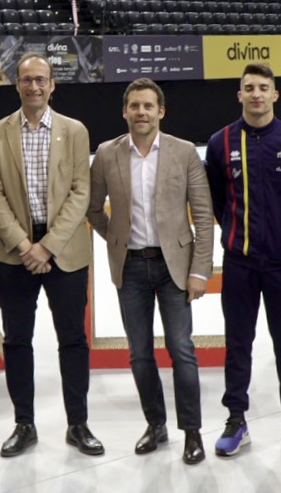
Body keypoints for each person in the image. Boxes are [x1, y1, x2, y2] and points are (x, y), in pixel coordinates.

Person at [87, 78, 215, 465]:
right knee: (140, 354)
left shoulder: (184, 152)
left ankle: (192, 431)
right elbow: (93, 209)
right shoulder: (107, 155)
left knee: (182, 350)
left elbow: (204, 216)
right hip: (132, 268)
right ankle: (155, 424)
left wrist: (200, 271)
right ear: (124, 111)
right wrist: (116, 240)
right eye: (134, 106)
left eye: (148, 106)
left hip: (173, 266)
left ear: (161, 111)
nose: (141, 112)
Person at [0, 52, 102, 457]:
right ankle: (24, 424)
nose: (34, 86)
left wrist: (47, 246)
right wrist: (24, 245)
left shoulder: (75, 130)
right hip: (14, 252)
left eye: (41, 80)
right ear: (16, 84)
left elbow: (80, 193)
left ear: (52, 85)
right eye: (27, 79)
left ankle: (78, 424)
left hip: (64, 250)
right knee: (18, 340)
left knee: (73, 339)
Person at [204, 63, 281, 458]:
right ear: (239, 95)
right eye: (248, 88)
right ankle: (236, 418)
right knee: (238, 344)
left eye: (262, 87)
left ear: (275, 94)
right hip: (240, 264)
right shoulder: (220, 142)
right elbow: (218, 200)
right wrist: (236, 233)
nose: (255, 94)